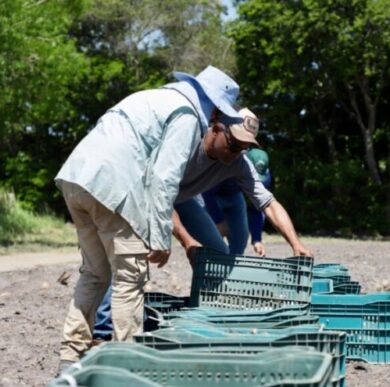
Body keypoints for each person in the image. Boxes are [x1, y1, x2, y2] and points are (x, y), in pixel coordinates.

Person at [54, 66, 251, 370]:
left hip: (77, 176)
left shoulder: (152, 98)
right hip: (114, 184)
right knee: (129, 280)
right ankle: (126, 368)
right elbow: (164, 178)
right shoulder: (186, 115)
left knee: (95, 273)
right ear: (214, 107)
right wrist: (160, 237)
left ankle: (70, 357)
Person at [92, 109, 312, 341]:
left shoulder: (239, 162)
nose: (238, 152)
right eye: (234, 143)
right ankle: (102, 332)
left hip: (181, 198)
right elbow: (159, 195)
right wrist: (187, 241)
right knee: (130, 258)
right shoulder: (185, 143)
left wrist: (296, 244)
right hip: (142, 193)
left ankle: (210, 314)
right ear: (217, 128)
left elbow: (268, 203)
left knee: (217, 253)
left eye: (244, 147)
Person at [202, 148, 271, 256]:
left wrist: (257, 239)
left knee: (241, 237)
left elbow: (257, 207)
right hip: (211, 194)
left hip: (234, 196)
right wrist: (218, 220)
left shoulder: (265, 177)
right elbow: (207, 193)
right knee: (211, 237)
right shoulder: (229, 163)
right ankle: (207, 263)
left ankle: (230, 268)